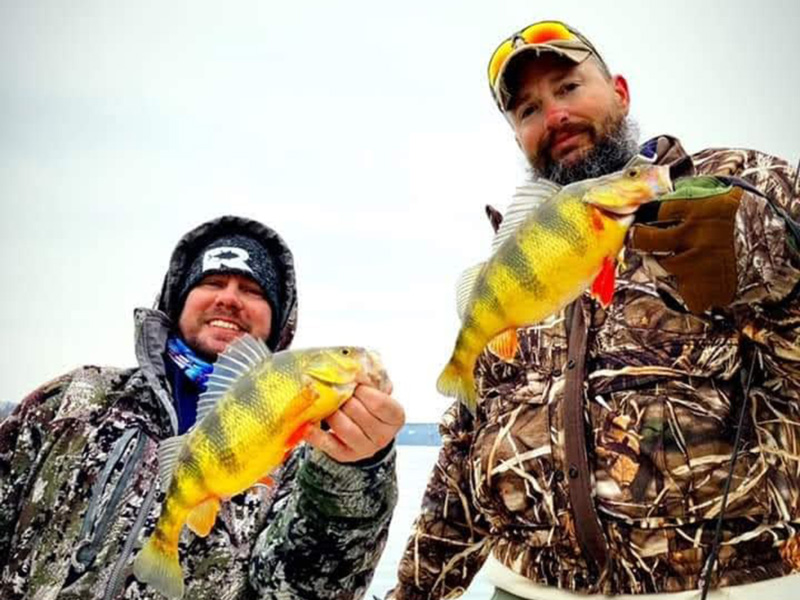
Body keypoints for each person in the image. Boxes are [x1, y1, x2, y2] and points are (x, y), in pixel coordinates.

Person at [387, 20, 800, 600]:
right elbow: (460, 466)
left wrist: (774, 256)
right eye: (527, 110)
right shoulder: (519, 262)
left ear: (621, 93)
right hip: (524, 586)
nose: (553, 115)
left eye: (568, 87)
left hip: (723, 585)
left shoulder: (739, 187)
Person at [0, 215, 405, 600]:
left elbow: (309, 589)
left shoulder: (312, 451)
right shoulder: (74, 400)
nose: (230, 298)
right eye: (213, 281)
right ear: (178, 300)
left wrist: (353, 472)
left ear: (278, 320)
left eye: (253, 290)